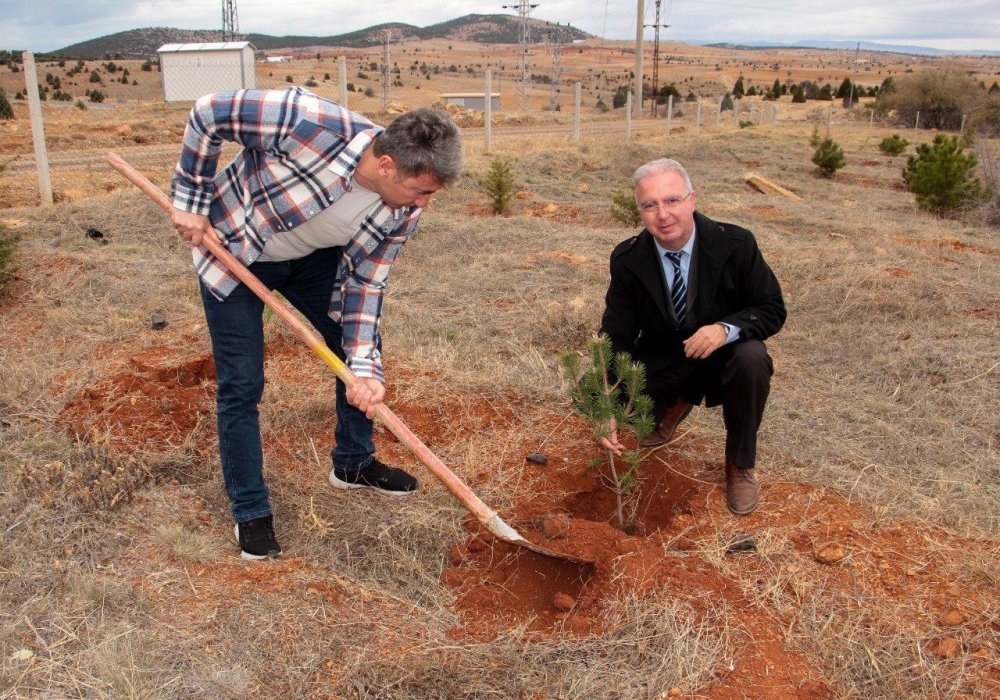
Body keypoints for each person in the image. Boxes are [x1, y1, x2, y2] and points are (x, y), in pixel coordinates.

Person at [170, 87, 463, 559]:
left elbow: (365, 284)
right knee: (242, 382)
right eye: (421, 190)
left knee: (356, 349)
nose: (424, 204)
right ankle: (250, 509)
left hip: (311, 259)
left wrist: (365, 369)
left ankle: (352, 463)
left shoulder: (404, 210)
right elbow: (208, 113)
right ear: (387, 166)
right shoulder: (307, 122)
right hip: (236, 250)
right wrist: (191, 199)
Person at [598, 158, 786, 516]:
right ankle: (675, 403)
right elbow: (615, 332)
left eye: (672, 200)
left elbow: (771, 308)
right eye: (650, 205)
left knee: (752, 358)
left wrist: (724, 330)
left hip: (723, 357)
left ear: (692, 200)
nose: (662, 215)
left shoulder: (737, 244)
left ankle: (739, 465)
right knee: (620, 406)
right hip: (666, 358)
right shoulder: (628, 259)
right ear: (640, 211)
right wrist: (605, 403)